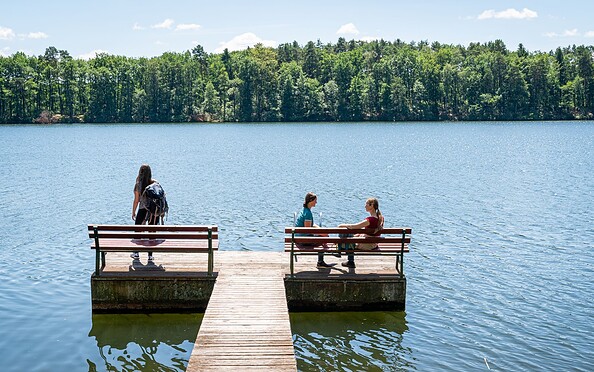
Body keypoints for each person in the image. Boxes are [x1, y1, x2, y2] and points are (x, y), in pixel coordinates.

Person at [338, 197, 384, 268]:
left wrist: (341, 225)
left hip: (367, 245)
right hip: (373, 244)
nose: (365, 206)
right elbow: (372, 233)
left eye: (366, 204)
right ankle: (342, 252)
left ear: (372, 205)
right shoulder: (380, 218)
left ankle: (342, 252)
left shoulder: (370, 220)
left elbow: (354, 226)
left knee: (348, 235)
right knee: (352, 237)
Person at [131, 164, 160, 261]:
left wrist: (133, 212)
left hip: (143, 210)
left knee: (137, 231)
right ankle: (150, 255)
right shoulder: (155, 183)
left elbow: (136, 200)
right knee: (152, 233)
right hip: (153, 212)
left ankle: (136, 253)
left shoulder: (138, 184)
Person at [295, 192, 332, 269]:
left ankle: (327, 250)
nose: (316, 202)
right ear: (311, 201)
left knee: (323, 236)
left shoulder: (304, 210)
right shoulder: (307, 213)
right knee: (323, 238)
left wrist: (321, 230)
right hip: (303, 240)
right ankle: (322, 260)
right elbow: (308, 230)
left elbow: (311, 225)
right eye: (315, 200)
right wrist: (323, 234)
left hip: (299, 238)